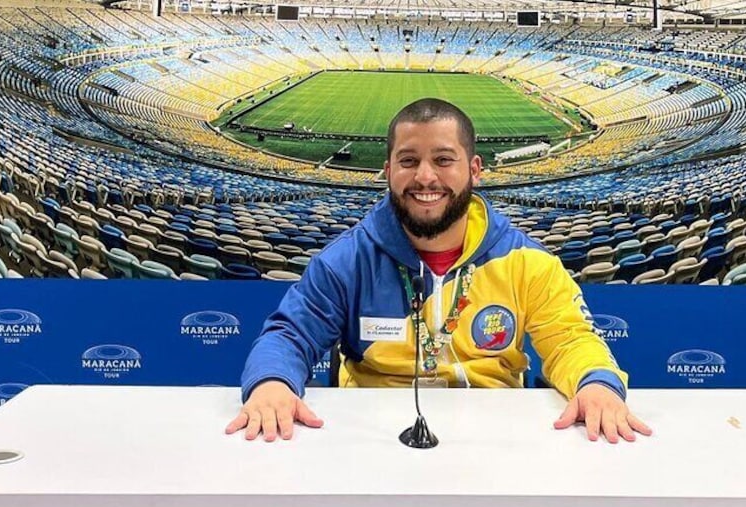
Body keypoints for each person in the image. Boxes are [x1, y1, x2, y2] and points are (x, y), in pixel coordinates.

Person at [226, 98, 652, 444]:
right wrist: (272, 385)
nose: (425, 177)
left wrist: (596, 384)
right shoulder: (347, 260)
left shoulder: (527, 262)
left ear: (475, 169)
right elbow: (290, 335)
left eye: (444, 159)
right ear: (387, 170)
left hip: (498, 438)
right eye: (408, 161)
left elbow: (570, 338)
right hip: (370, 438)